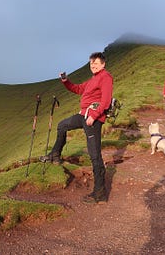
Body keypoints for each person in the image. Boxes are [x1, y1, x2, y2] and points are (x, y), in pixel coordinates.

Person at [39, 52, 113, 203]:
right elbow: (78, 89)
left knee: (94, 155)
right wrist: (66, 81)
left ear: (103, 64)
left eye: (96, 64)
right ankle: (55, 155)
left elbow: (106, 101)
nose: (93, 66)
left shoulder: (105, 77)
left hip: (93, 119)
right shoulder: (93, 79)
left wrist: (94, 116)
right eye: (91, 64)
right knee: (62, 126)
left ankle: (100, 193)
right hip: (83, 115)